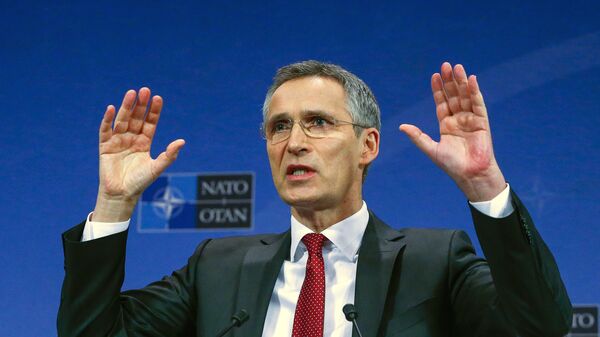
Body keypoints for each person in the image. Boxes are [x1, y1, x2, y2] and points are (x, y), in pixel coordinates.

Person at [58, 61, 572, 337]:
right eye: (279, 127)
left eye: (318, 123)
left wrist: (484, 185)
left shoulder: (435, 261)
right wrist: (114, 205)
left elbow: (540, 325)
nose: (294, 142)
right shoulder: (217, 266)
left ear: (367, 145)